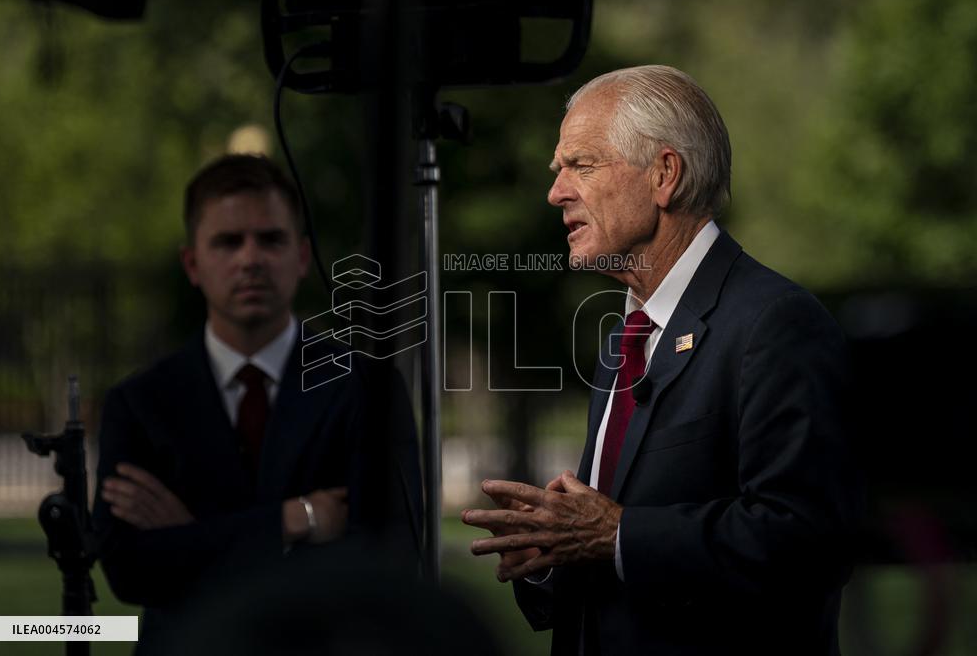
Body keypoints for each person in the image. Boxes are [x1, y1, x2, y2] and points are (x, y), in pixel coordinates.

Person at [462, 65, 860, 655]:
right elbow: (608, 562)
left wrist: (618, 533)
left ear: (664, 175)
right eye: (558, 170)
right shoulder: (625, 339)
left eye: (582, 165)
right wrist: (551, 555)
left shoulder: (775, 323)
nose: (556, 192)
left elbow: (807, 542)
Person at [92, 153, 421, 649]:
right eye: (228, 241)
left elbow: (388, 556)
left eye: (270, 239)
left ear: (303, 257)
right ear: (192, 263)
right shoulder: (140, 403)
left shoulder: (365, 387)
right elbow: (131, 570)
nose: (250, 259)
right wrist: (297, 521)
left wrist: (196, 538)